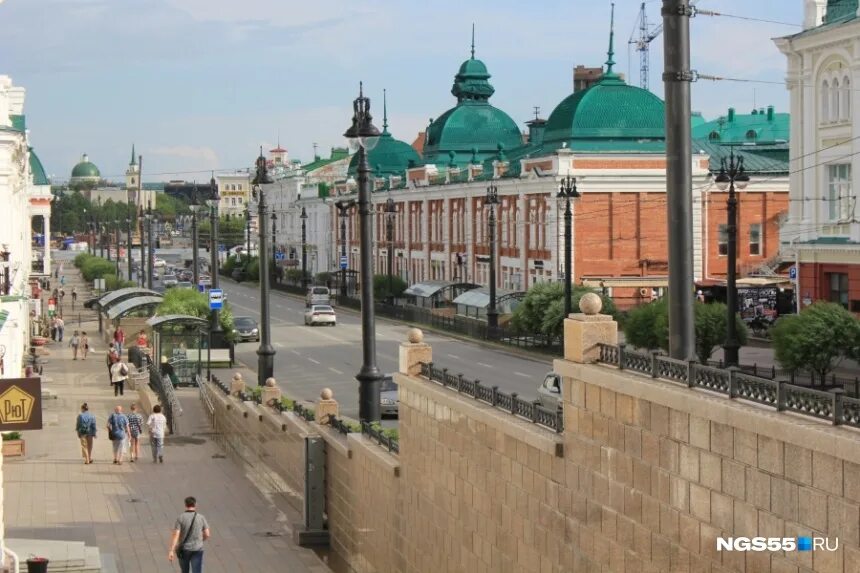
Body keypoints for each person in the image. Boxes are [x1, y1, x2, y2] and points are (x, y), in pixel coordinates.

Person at [168, 496, 211, 572]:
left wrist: (171, 550)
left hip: (184, 549)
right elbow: (207, 534)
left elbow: (176, 535)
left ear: (185, 505)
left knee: (185, 571)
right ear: (195, 505)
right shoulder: (201, 517)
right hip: (197, 549)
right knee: (197, 571)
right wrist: (201, 540)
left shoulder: (180, 518)